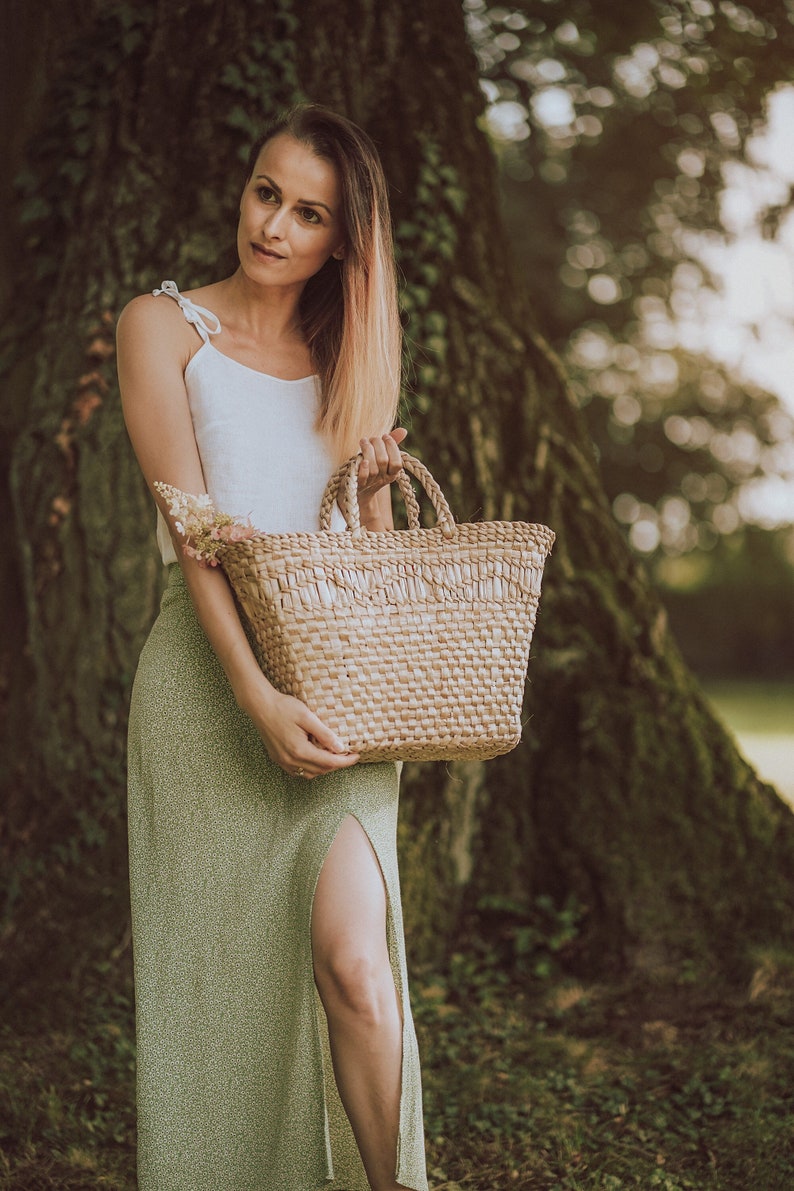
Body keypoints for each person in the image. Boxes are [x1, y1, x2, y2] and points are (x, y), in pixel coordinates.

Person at [117, 104, 428, 1191]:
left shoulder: (357, 355)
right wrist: (251, 694)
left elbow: (367, 570)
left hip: (337, 684)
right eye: (265, 192)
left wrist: (376, 502)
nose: (274, 225)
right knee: (221, 984)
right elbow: (194, 535)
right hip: (207, 686)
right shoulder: (162, 328)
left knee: (355, 965)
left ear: (342, 239)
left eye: (307, 213)